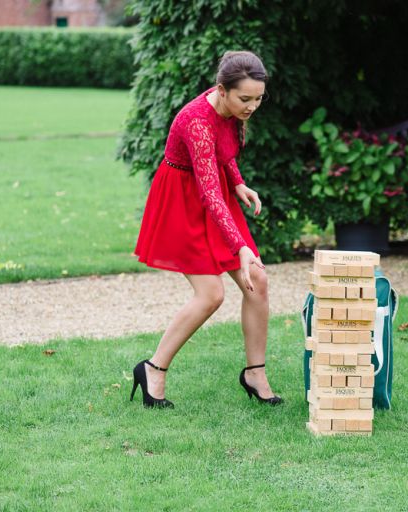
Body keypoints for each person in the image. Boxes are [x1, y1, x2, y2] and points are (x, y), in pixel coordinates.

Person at [130, 50, 283, 408]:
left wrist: (239, 182)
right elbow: (207, 191)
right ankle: (153, 368)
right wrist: (240, 245)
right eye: (244, 99)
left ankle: (254, 373)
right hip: (184, 202)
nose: (251, 106)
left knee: (257, 281)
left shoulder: (233, 110)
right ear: (222, 90)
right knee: (211, 294)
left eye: (258, 98)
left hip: (216, 196)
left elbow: (223, 154)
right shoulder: (196, 121)